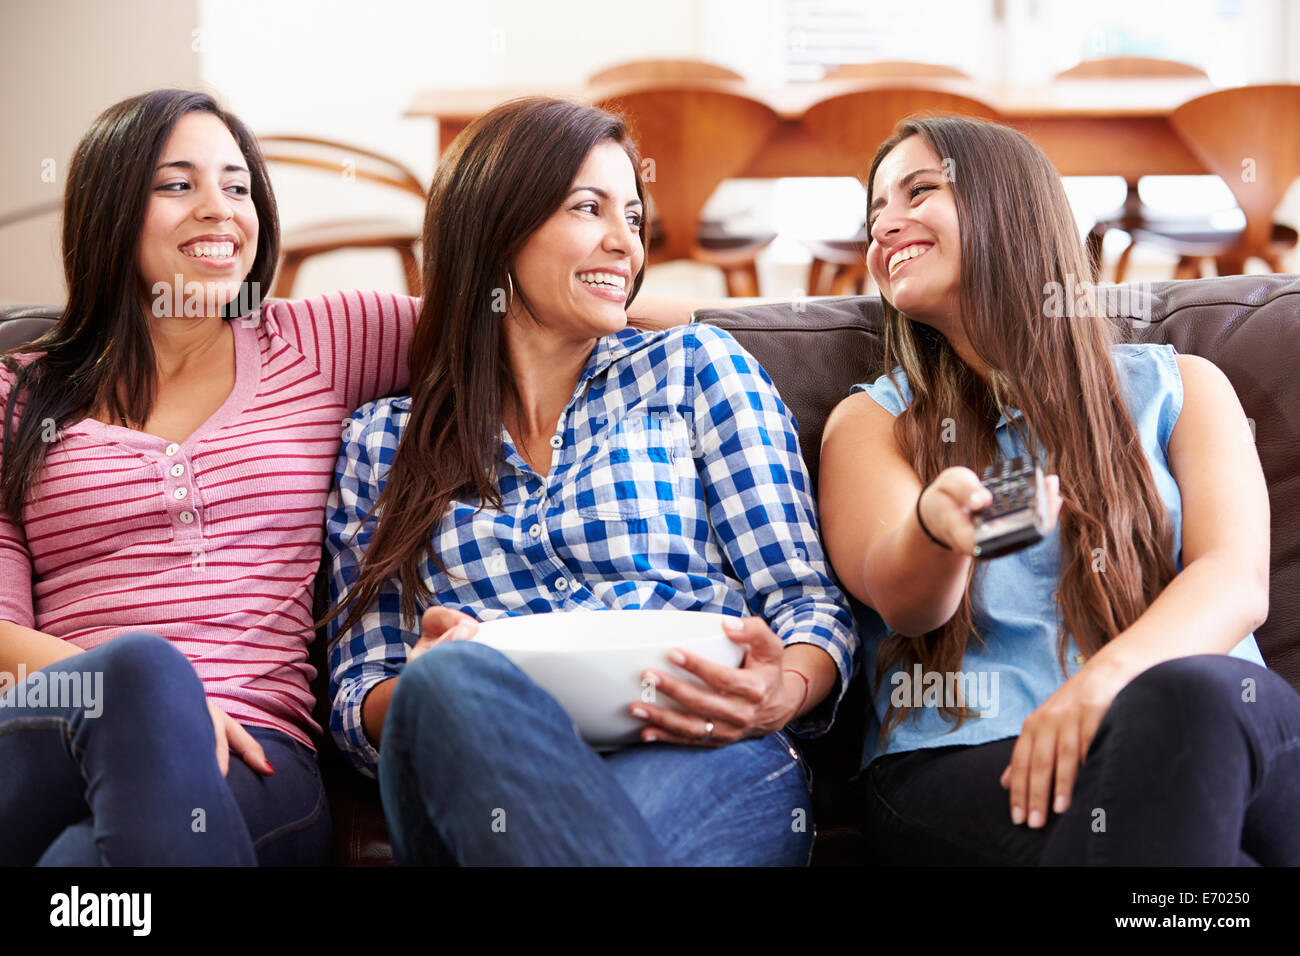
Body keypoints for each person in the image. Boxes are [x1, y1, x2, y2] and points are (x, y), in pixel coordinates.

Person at [324, 96, 858, 866]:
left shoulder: (693, 369)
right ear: (496, 225)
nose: (626, 245)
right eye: (588, 208)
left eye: (634, 218)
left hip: (696, 748)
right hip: (485, 759)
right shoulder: (382, 443)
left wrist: (784, 691)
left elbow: (804, 601)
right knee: (450, 683)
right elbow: (358, 690)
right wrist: (428, 682)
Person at [818, 115, 1300, 865]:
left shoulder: (1183, 388)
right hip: (975, 761)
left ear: (1011, 204)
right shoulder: (873, 421)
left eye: (919, 191)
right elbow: (903, 599)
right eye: (874, 212)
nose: (886, 225)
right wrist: (939, 532)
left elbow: (1234, 580)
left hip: (1212, 727)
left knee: (1192, 703)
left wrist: (1101, 686)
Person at [0, 89, 420, 865]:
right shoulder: (18, 395)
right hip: (56, 721)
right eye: (176, 184)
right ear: (108, 209)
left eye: (237, 185)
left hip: (255, 755)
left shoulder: (321, 341)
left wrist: (696, 312)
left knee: (77, 870)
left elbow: (520, 313)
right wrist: (156, 702)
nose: (219, 210)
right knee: (142, 670)